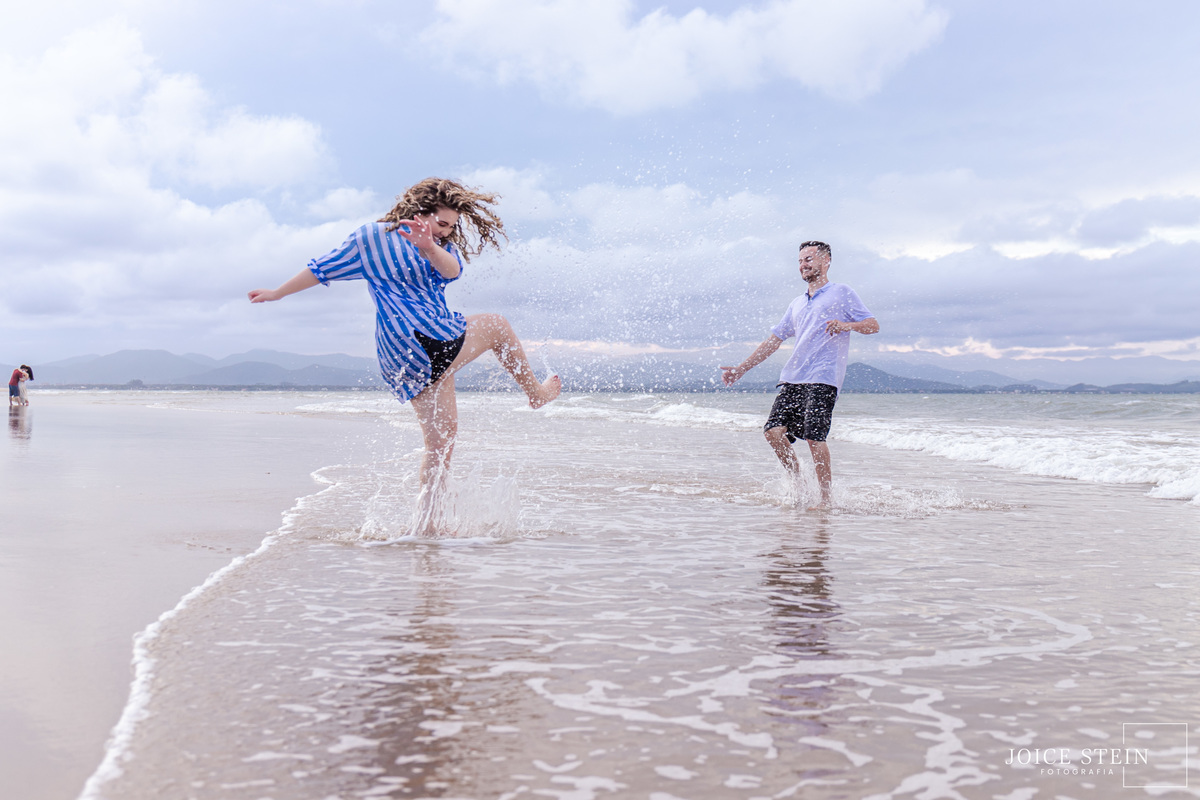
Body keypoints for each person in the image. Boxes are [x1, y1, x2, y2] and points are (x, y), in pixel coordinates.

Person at [248, 178, 561, 523]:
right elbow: (322, 267)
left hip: (403, 357)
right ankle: (535, 393)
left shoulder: (437, 247)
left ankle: (427, 527)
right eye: (441, 223)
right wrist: (278, 293)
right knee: (498, 326)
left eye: (451, 227)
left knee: (441, 444)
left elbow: (452, 270)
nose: (444, 232)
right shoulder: (373, 237)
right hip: (427, 339)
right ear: (418, 212)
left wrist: (430, 245)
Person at [721, 241, 878, 510]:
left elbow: (872, 325)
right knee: (772, 432)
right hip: (793, 377)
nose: (803, 265)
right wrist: (741, 368)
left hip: (823, 377)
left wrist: (846, 325)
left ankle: (826, 500)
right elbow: (774, 340)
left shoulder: (842, 293)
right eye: (799, 261)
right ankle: (798, 484)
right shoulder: (796, 303)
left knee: (815, 438)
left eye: (808, 259)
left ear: (826, 261)